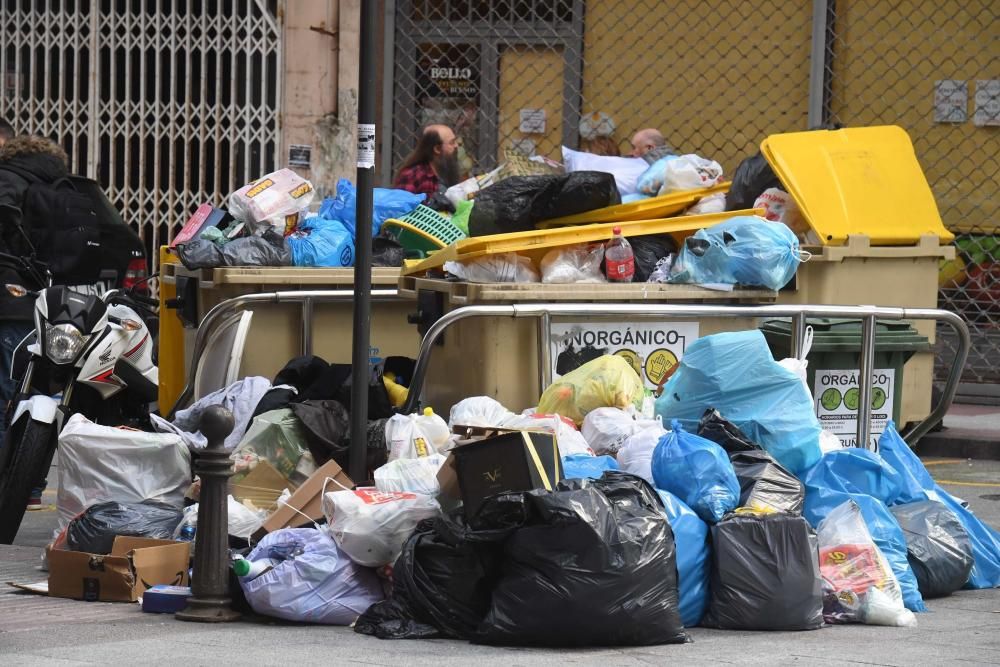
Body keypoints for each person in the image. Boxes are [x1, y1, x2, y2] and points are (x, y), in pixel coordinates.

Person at [0, 135, 70, 508]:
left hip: (8, 304)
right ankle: (28, 487)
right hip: (54, 309)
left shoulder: (9, 179)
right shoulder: (62, 187)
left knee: (4, 394)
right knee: (41, 394)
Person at [394, 124, 461, 197]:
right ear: (437, 149)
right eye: (452, 143)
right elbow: (400, 205)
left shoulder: (447, 172)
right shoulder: (413, 176)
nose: (456, 146)